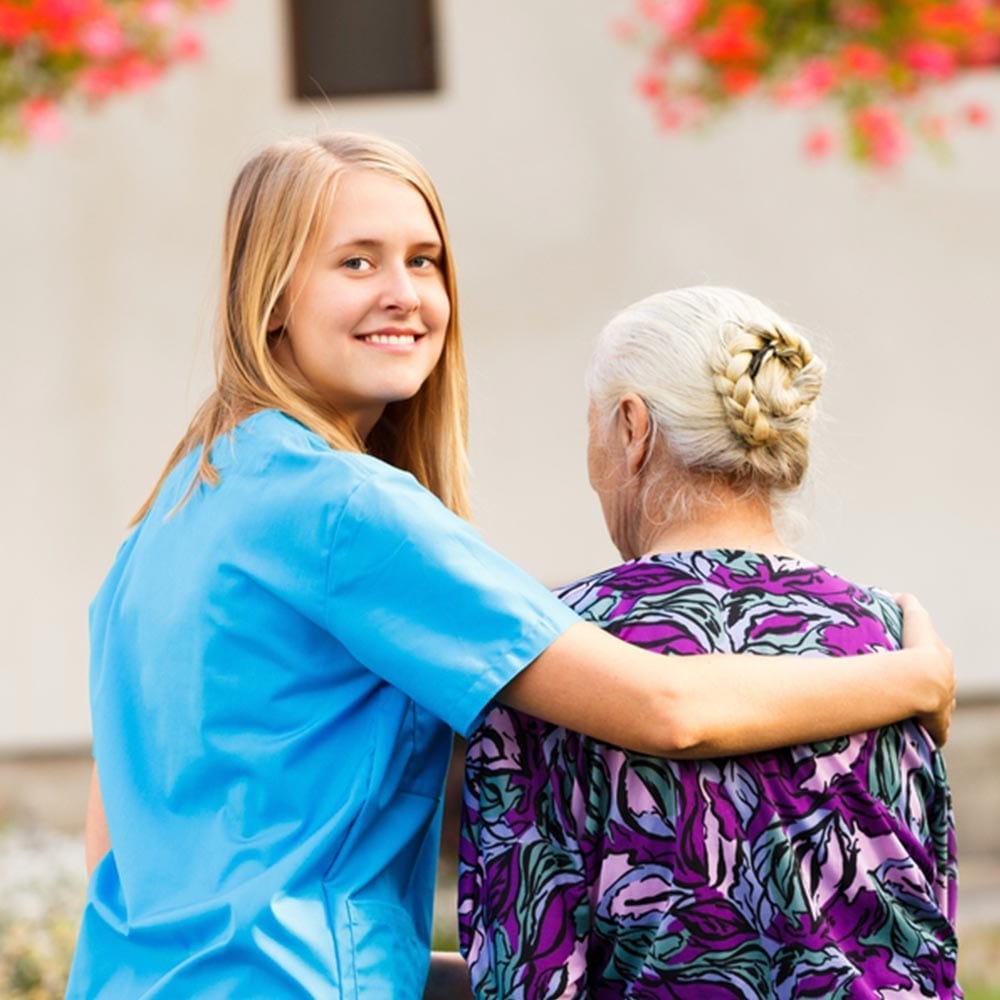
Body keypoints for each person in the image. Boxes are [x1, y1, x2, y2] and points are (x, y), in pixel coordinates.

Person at [67, 136, 954, 999]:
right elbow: (667, 709)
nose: (405, 294)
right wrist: (913, 678)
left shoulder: (168, 519)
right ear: (269, 300)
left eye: (425, 261)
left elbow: (121, 853)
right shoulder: (341, 509)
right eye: (356, 263)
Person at [458, 286, 959, 999]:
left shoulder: (558, 654)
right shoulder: (896, 641)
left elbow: (525, 965)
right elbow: (927, 928)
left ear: (632, 429)